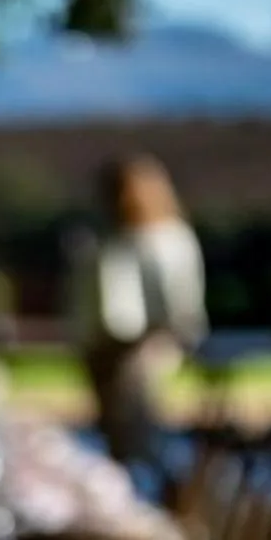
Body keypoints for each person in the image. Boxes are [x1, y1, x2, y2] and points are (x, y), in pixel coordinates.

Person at [68, 154, 207, 475]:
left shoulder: (168, 238)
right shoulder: (108, 238)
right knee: (112, 428)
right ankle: (124, 482)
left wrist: (160, 338)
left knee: (137, 419)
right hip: (104, 346)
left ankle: (152, 479)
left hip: (149, 344)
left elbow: (180, 304)